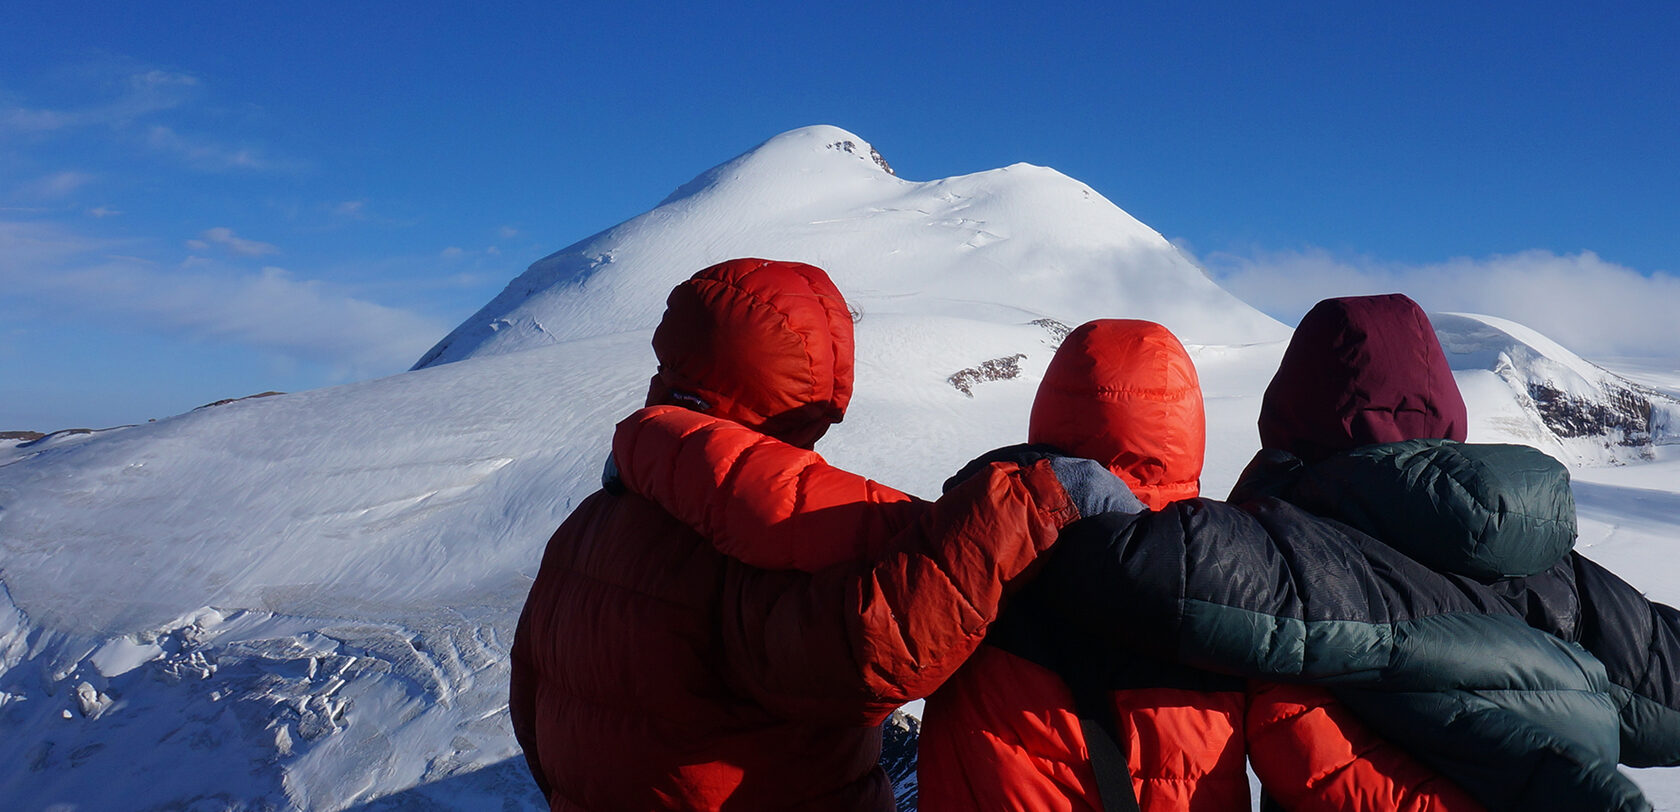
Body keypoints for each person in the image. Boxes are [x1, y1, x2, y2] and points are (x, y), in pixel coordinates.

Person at [610, 312, 1652, 809]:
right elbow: (1317, 763)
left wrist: (663, 443)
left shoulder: (980, 558)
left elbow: (823, 543)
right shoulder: (1542, 566)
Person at [508, 258, 1130, 811]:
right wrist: (1028, 505)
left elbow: (531, 707)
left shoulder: (587, 521)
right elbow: (868, 651)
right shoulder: (743, 550)